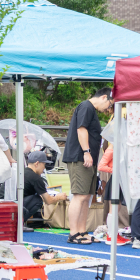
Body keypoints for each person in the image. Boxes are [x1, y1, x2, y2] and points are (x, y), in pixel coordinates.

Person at [62, 88, 111, 244]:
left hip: (88, 158)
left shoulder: (91, 110)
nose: (108, 109)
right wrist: (86, 151)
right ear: (104, 97)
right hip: (80, 157)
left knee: (88, 196)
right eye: (110, 104)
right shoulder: (86, 106)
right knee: (79, 195)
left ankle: (82, 231)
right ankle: (73, 233)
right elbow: (81, 129)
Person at [22, 150, 65, 228]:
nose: (44, 168)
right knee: (38, 200)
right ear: (37, 163)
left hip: (6, 203)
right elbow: (48, 201)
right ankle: (19, 222)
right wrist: (59, 197)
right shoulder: (35, 177)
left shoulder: (22, 172)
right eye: (44, 164)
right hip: (17, 206)